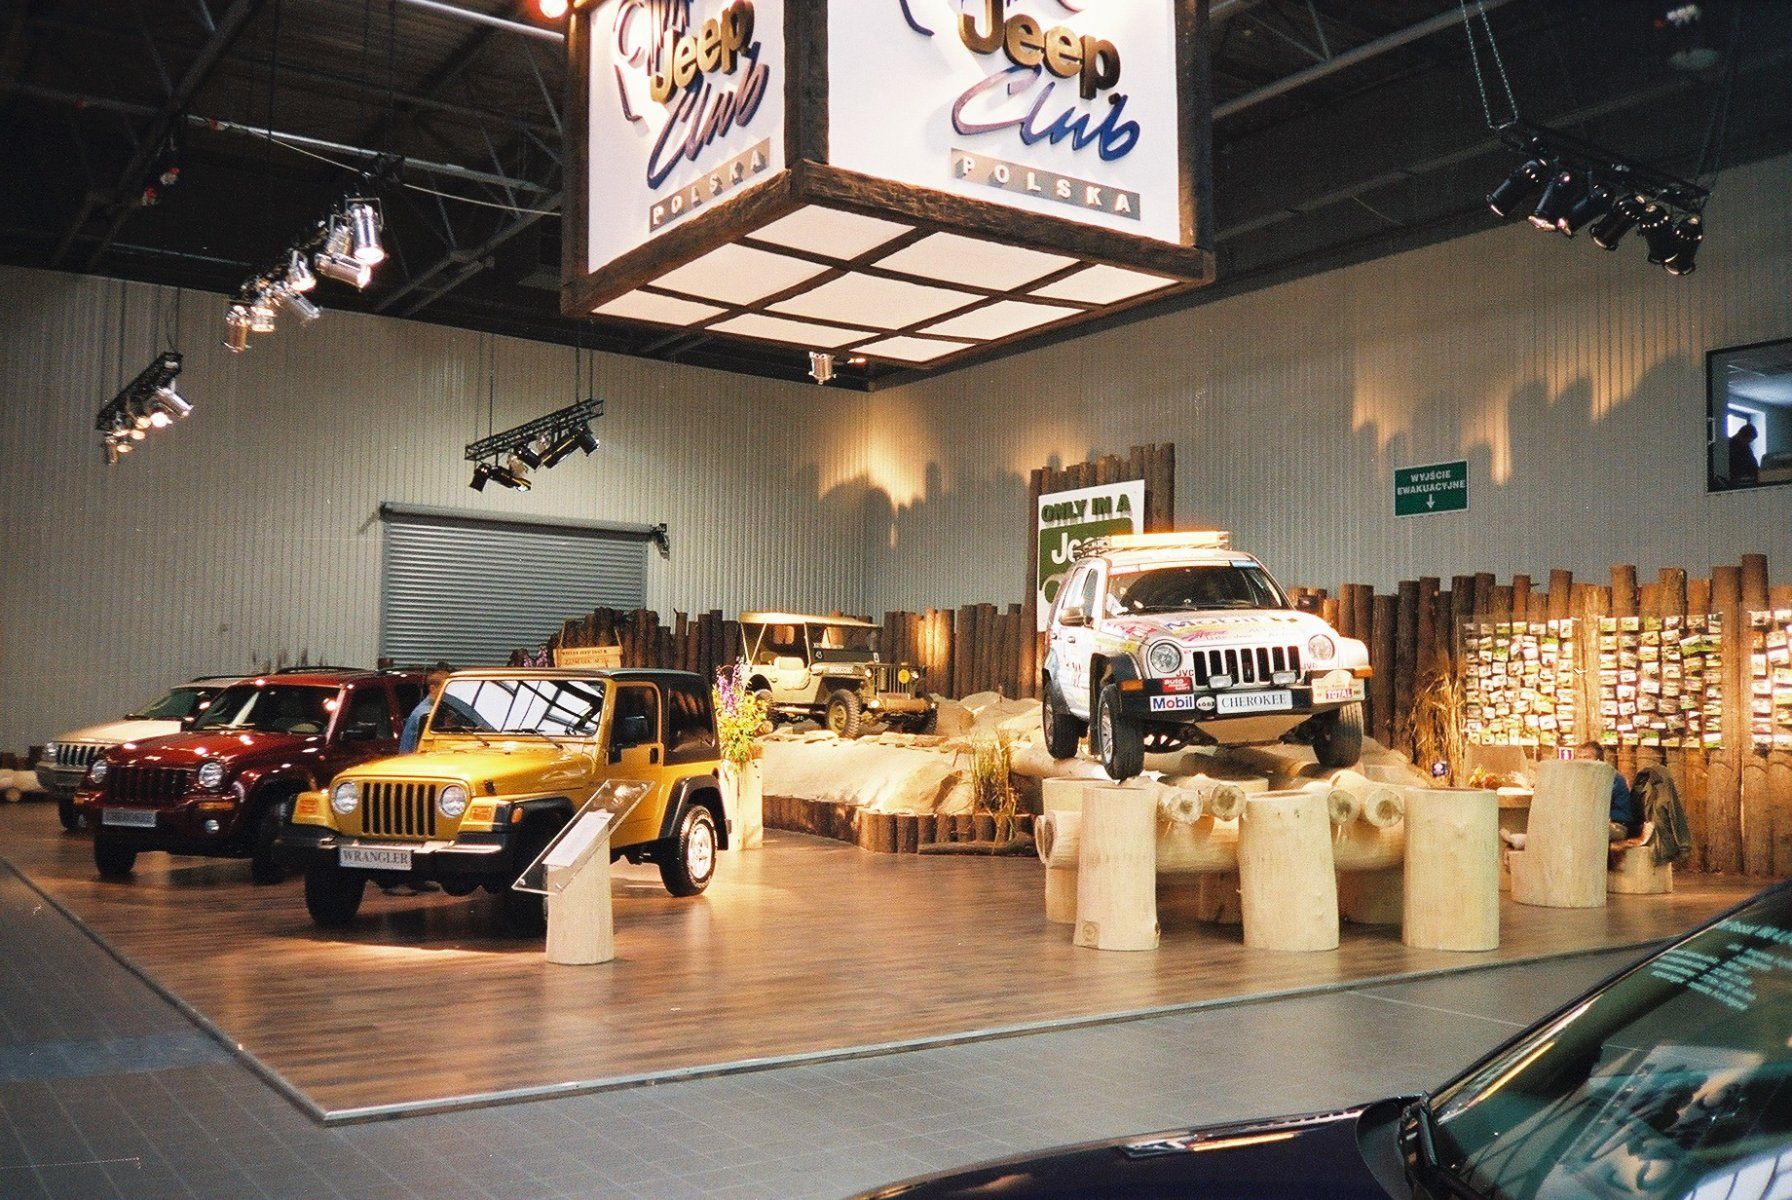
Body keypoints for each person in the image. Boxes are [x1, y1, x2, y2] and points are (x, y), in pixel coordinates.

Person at [1575, 741, 1640, 841]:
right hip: (1597, 823)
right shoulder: (1584, 778)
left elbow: (1594, 804)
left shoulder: (1609, 776)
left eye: (1587, 757)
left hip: (1617, 825)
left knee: (1581, 831)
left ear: (1598, 760)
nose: (1582, 761)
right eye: (1580, 757)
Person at [400, 668, 450, 754]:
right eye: (445, 689)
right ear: (433, 688)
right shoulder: (425, 714)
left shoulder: (434, 710)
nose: (448, 693)